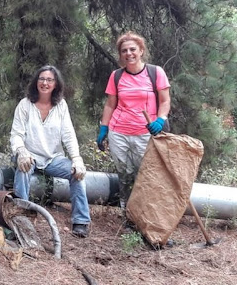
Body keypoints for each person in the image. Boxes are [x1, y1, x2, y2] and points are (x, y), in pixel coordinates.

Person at [10, 65, 91, 238]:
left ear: (56, 84)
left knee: (76, 173)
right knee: (22, 171)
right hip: (29, 156)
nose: (45, 83)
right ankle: (21, 218)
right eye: (41, 79)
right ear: (36, 81)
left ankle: (81, 221)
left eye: (49, 80)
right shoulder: (25, 105)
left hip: (53, 159)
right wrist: (21, 151)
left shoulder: (61, 106)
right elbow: (16, 134)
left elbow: (68, 135)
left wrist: (77, 159)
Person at [96, 31, 171, 212]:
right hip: (119, 133)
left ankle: (147, 214)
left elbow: (165, 101)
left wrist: (160, 120)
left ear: (141, 50)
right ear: (120, 54)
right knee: (125, 174)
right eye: (124, 50)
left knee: (146, 174)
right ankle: (128, 213)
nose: (128, 53)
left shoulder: (155, 72)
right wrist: (104, 128)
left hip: (145, 133)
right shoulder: (116, 76)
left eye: (132, 49)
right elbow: (110, 104)